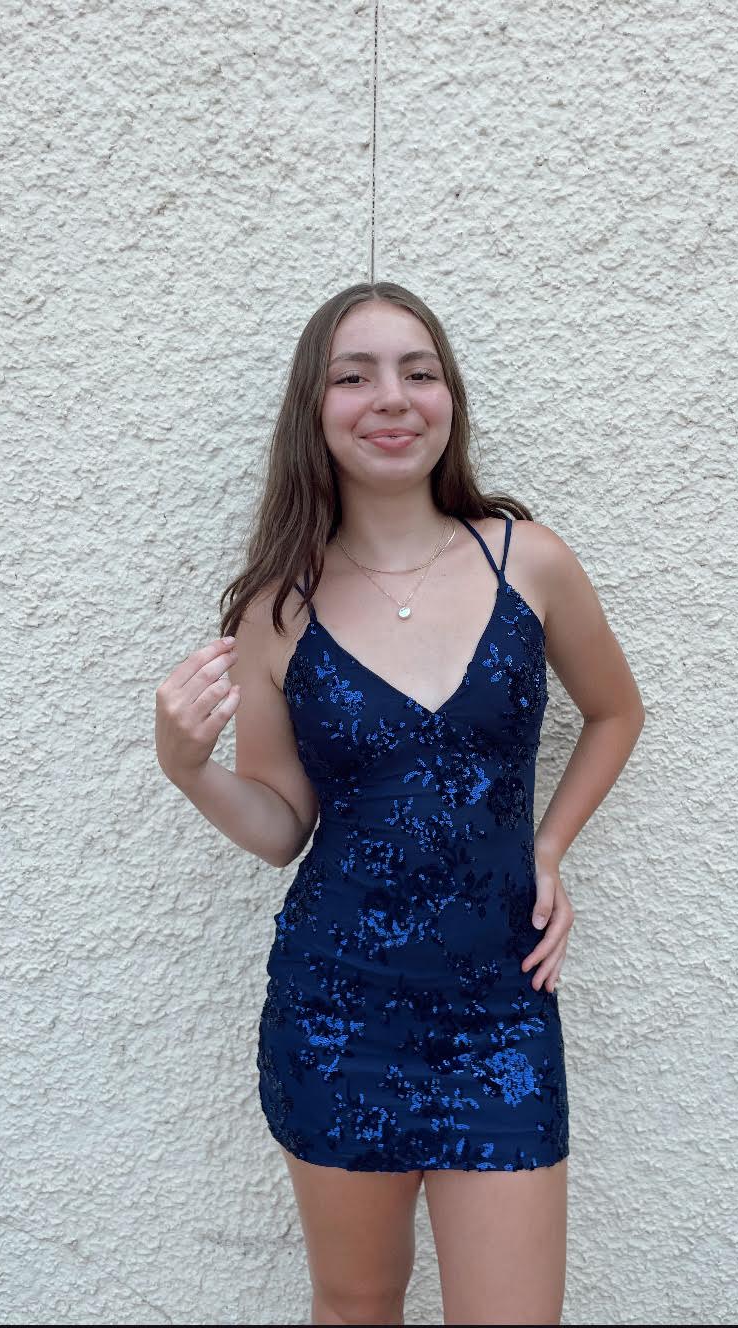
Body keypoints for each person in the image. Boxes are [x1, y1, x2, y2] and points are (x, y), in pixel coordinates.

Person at [154, 281, 645, 1326]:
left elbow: (615, 712)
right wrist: (188, 767)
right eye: (355, 375)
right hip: (339, 1009)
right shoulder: (278, 608)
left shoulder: (527, 559)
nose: (391, 396)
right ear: (315, 408)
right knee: (357, 1305)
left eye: (418, 372)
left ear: (448, 397)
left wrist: (548, 847)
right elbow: (283, 825)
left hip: (500, 1005)